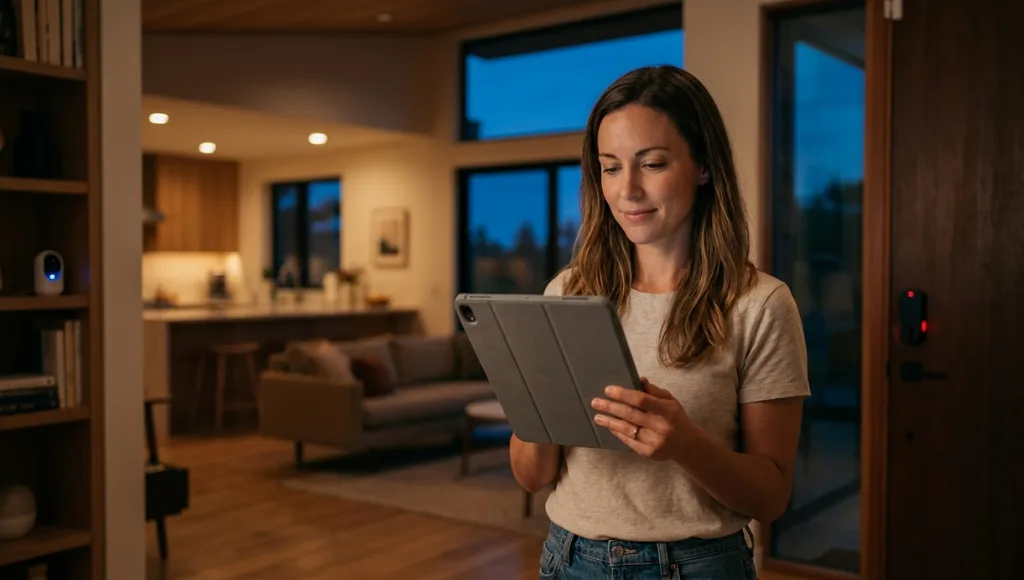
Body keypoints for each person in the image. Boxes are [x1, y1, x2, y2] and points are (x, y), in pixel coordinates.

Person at [509, 65, 810, 579]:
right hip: (570, 560)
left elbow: (771, 496)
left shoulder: (759, 304)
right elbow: (532, 476)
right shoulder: (568, 293)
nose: (627, 190)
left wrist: (686, 445)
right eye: (609, 167)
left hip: (698, 566)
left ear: (703, 167)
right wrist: (542, 408)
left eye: (651, 163)